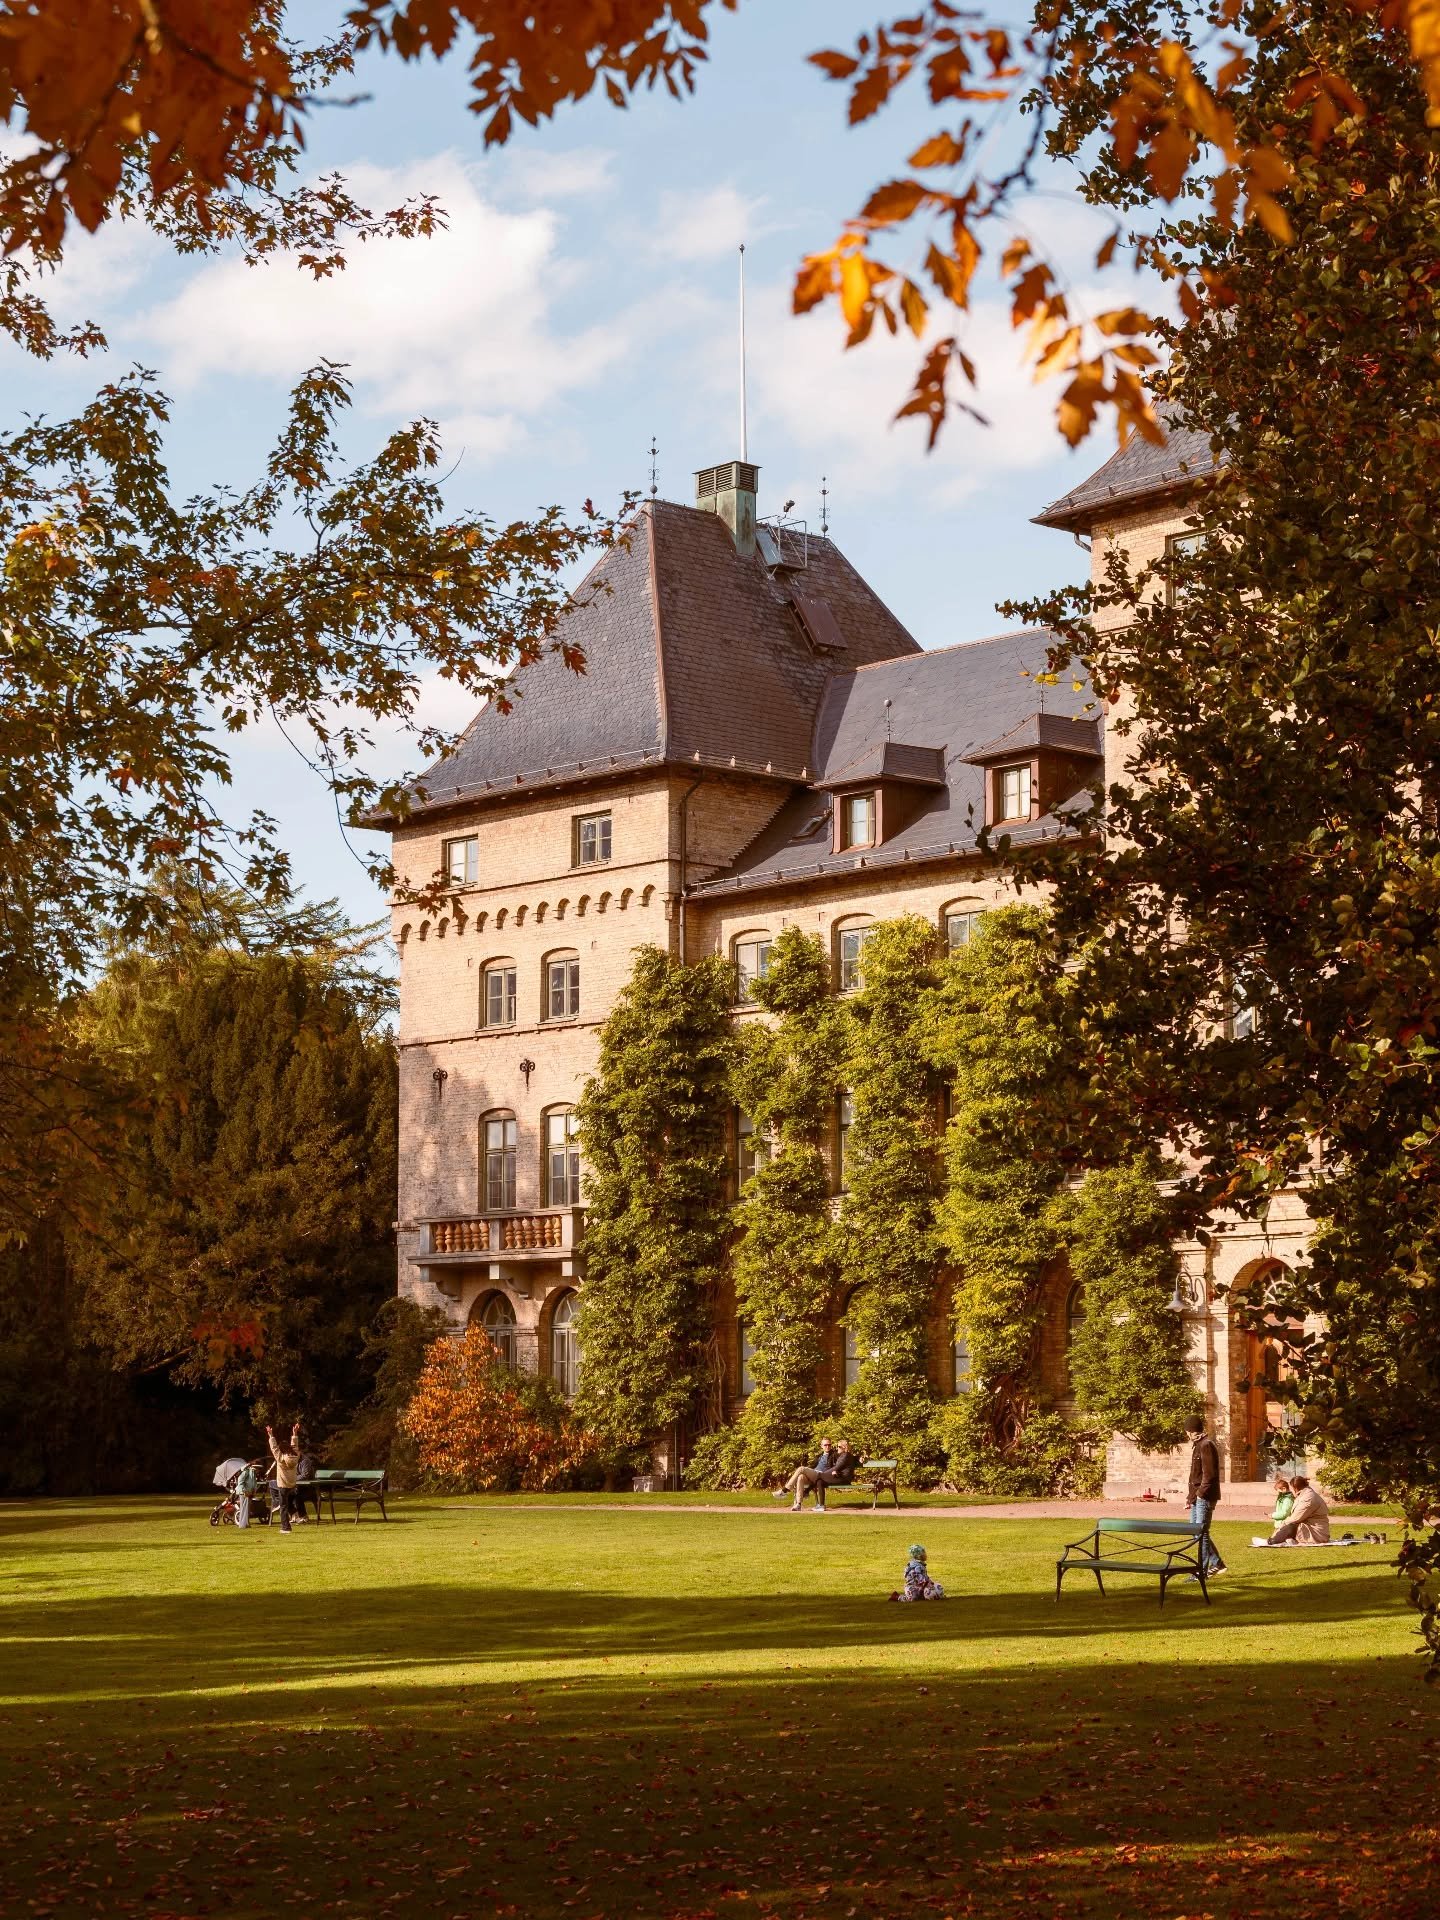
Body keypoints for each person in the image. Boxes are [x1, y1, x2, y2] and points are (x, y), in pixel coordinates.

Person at [1185, 1413, 1227, 1577]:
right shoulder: (1198, 1445)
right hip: (1197, 1496)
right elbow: (1194, 1476)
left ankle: (1200, 1572)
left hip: (1205, 1496)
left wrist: (1201, 1494)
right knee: (1195, 1532)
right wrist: (1190, 1498)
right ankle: (1217, 1563)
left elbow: (1209, 1474)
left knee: (1201, 1532)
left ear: (1190, 1431)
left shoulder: (1206, 1445)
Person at [1263, 1474, 1331, 1546]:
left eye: (1291, 1488)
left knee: (1290, 1526)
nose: (1290, 1490)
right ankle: (1276, 1539)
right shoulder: (1305, 1494)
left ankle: (1272, 1541)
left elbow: (1295, 1518)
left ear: (1295, 1488)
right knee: (1290, 1525)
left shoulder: (1308, 1498)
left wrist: (1280, 1528)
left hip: (1317, 1533)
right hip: (1312, 1529)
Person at [773, 1440, 835, 1509]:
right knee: (800, 1477)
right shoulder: (819, 1456)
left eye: (829, 1445)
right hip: (814, 1474)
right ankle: (798, 1504)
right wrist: (808, 1471)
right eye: (825, 1445)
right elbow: (812, 1466)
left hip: (821, 1475)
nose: (827, 1446)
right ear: (821, 1446)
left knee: (801, 1468)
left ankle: (784, 1490)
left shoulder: (833, 1455)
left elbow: (836, 1466)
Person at [267, 1422, 301, 1535]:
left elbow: (274, 1448)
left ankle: (285, 1527)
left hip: (283, 1485)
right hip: (292, 1484)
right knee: (288, 1504)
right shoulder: (295, 1455)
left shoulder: (280, 1458)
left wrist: (271, 1435)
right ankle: (293, 1515)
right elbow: (295, 1446)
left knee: (283, 1506)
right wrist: (295, 1433)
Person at [234, 1459, 262, 1530]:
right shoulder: (246, 1471)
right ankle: (242, 1524)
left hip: (249, 1492)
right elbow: (240, 1481)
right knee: (244, 1508)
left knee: (247, 1509)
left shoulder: (253, 1473)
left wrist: (254, 1491)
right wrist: (244, 1491)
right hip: (244, 1492)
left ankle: (246, 1523)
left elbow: (254, 1483)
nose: (258, 1470)